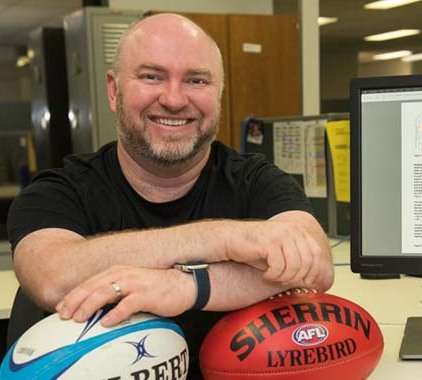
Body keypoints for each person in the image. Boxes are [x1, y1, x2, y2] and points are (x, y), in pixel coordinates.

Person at [7, 13, 333, 378]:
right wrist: (223, 239)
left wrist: (188, 285)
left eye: (196, 80)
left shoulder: (255, 180)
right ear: (114, 90)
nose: (175, 99)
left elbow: (315, 263)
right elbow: (53, 276)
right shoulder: (60, 190)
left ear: (219, 93)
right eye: (152, 76)